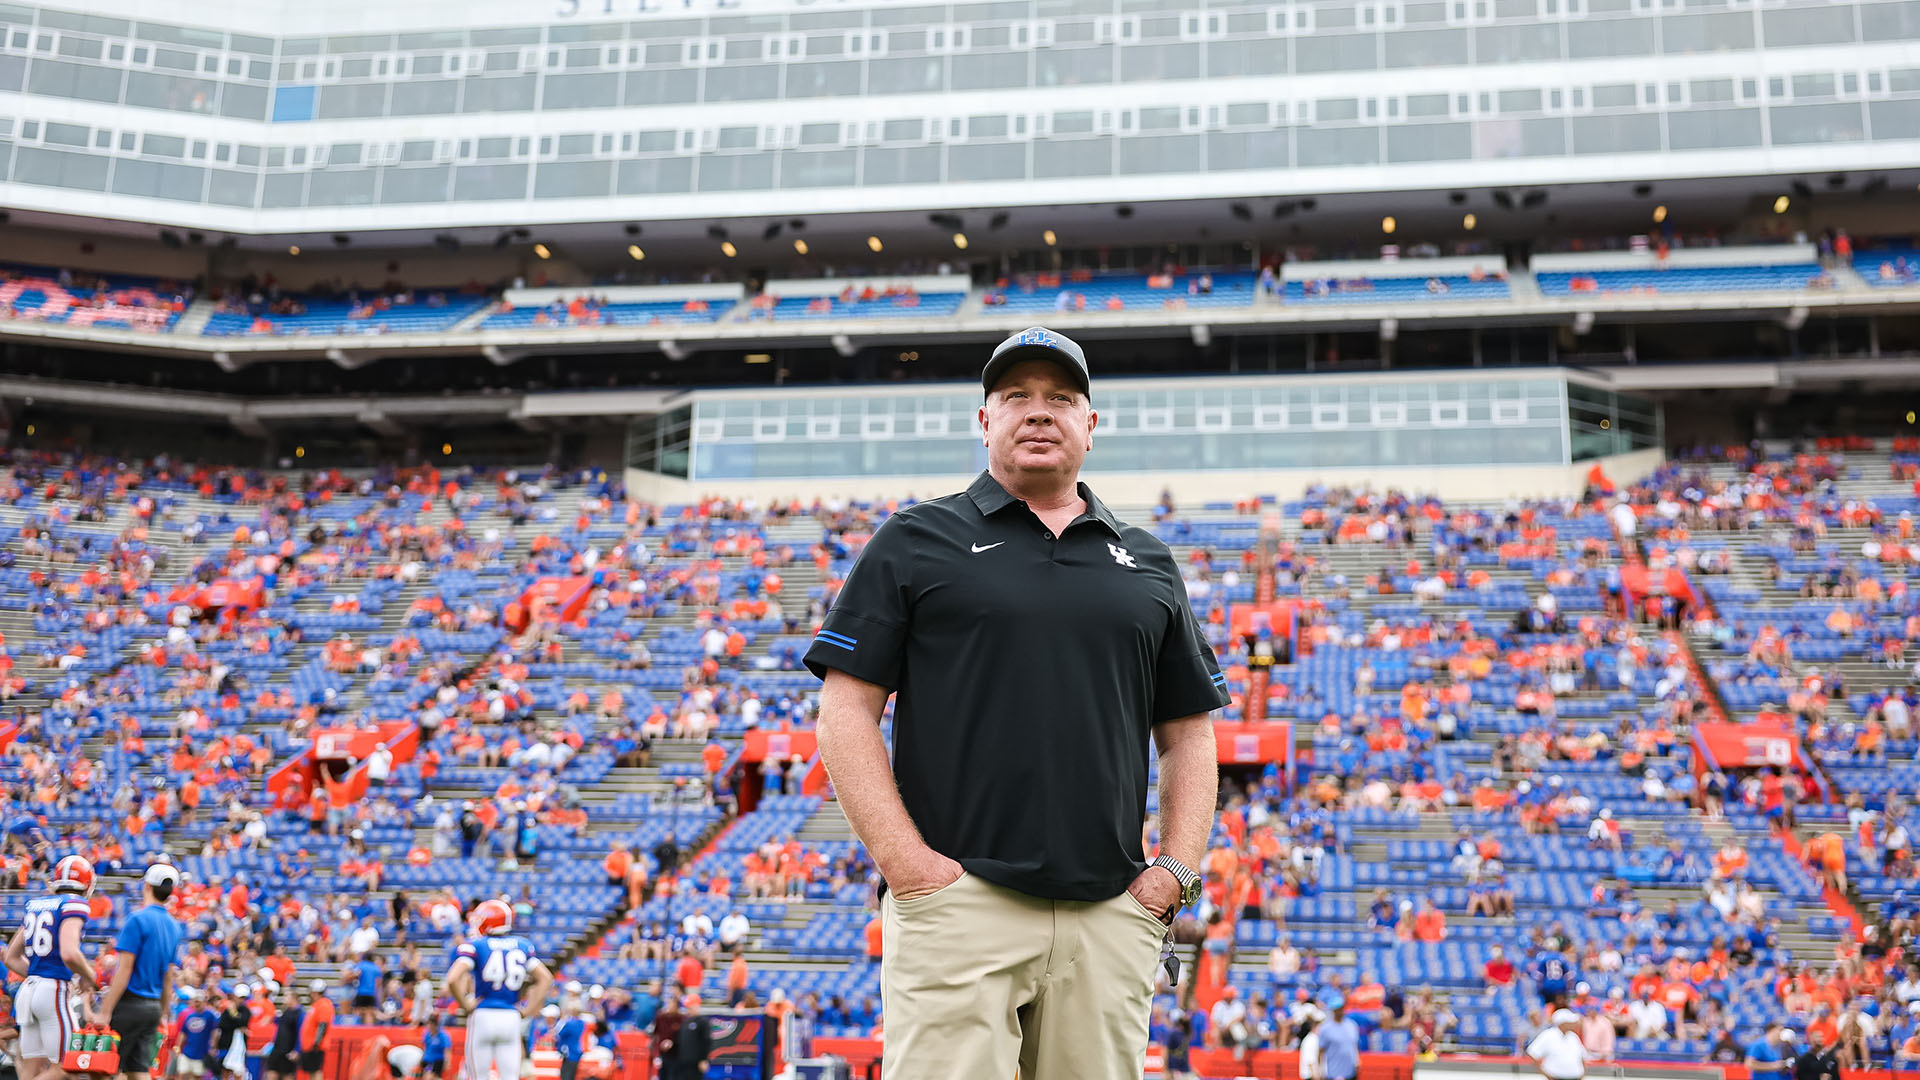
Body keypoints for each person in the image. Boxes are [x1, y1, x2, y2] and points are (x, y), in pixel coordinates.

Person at [806, 325, 1228, 1078]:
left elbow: (1189, 735)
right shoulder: (914, 539)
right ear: (984, 421)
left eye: (1061, 397)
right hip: (961, 902)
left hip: (1110, 910)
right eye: (1016, 397)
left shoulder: (1149, 561)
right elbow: (844, 711)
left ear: (1090, 426)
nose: (1039, 412)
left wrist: (1174, 874)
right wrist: (910, 868)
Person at [3, 856, 99, 1080]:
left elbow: (10, 957)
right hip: (53, 991)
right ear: (86, 884)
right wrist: (90, 976)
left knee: (30, 1071)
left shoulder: (37, 905)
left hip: (30, 990)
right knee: (67, 1067)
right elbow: (69, 953)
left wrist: (40, 974)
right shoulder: (74, 904)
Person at [443, 900, 553, 1080]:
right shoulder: (522, 945)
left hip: (484, 1014)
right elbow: (546, 978)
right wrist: (528, 1010)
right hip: (510, 1017)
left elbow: (453, 978)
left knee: (478, 1076)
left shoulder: (477, 945)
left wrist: (465, 1004)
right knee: (510, 1076)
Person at [101, 864, 185, 1080]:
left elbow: (124, 970)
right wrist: (164, 1013)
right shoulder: (174, 926)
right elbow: (168, 976)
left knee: (108, 1068)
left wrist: (105, 1011)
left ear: (146, 885)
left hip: (129, 1004)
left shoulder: (137, 919)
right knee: (139, 1070)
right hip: (153, 1007)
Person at [1527, 1009, 1588, 1080]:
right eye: (1570, 1022)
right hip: (1556, 1077)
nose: (1574, 1024)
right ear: (1562, 1023)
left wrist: (1582, 1074)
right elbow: (1532, 1054)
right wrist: (1547, 1075)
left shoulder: (1573, 1036)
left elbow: (1582, 1056)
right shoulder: (1548, 1035)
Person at [659, 998, 710, 1080]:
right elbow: (681, 1040)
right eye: (687, 1008)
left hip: (695, 1063)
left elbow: (706, 1042)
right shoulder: (685, 1022)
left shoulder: (703, 1022)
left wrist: (703, 1059)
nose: (688, 1010)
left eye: (690, 1007)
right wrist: (672, 1043)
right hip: (682, 1062)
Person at [296, 983, 332, 1080]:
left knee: (316, 1071)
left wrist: (316, 1042)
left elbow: (323, 1025)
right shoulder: (317, 1005)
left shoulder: (324, 1004)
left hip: (315, 1046)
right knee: (312, 1071)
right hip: (310, 1045)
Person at [1319, 1002, 1361, 1080]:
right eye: (1338, 1009)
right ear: (1334, 1011)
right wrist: (1321, 1070)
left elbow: (1355, 1045)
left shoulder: (1352, 1025)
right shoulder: (1326, 1028)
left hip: (1350, 1071)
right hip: (1332, 1072)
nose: (1341, 1011)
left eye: (1342, 1008)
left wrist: (1357, 1061)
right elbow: (1321, 1051)